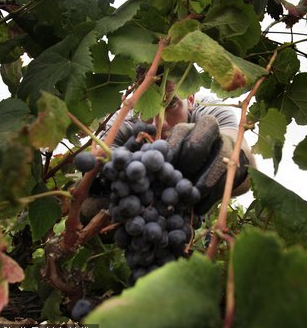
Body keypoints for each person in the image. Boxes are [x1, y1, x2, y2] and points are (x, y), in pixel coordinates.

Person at [85, 69, 255, 218]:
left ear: (190, 99)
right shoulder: (124, 122)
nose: (159, 123)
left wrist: (232, 158)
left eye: (171, 104)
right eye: (147, 108)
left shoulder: (211, 110)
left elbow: (248, 167)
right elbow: (91, 174)